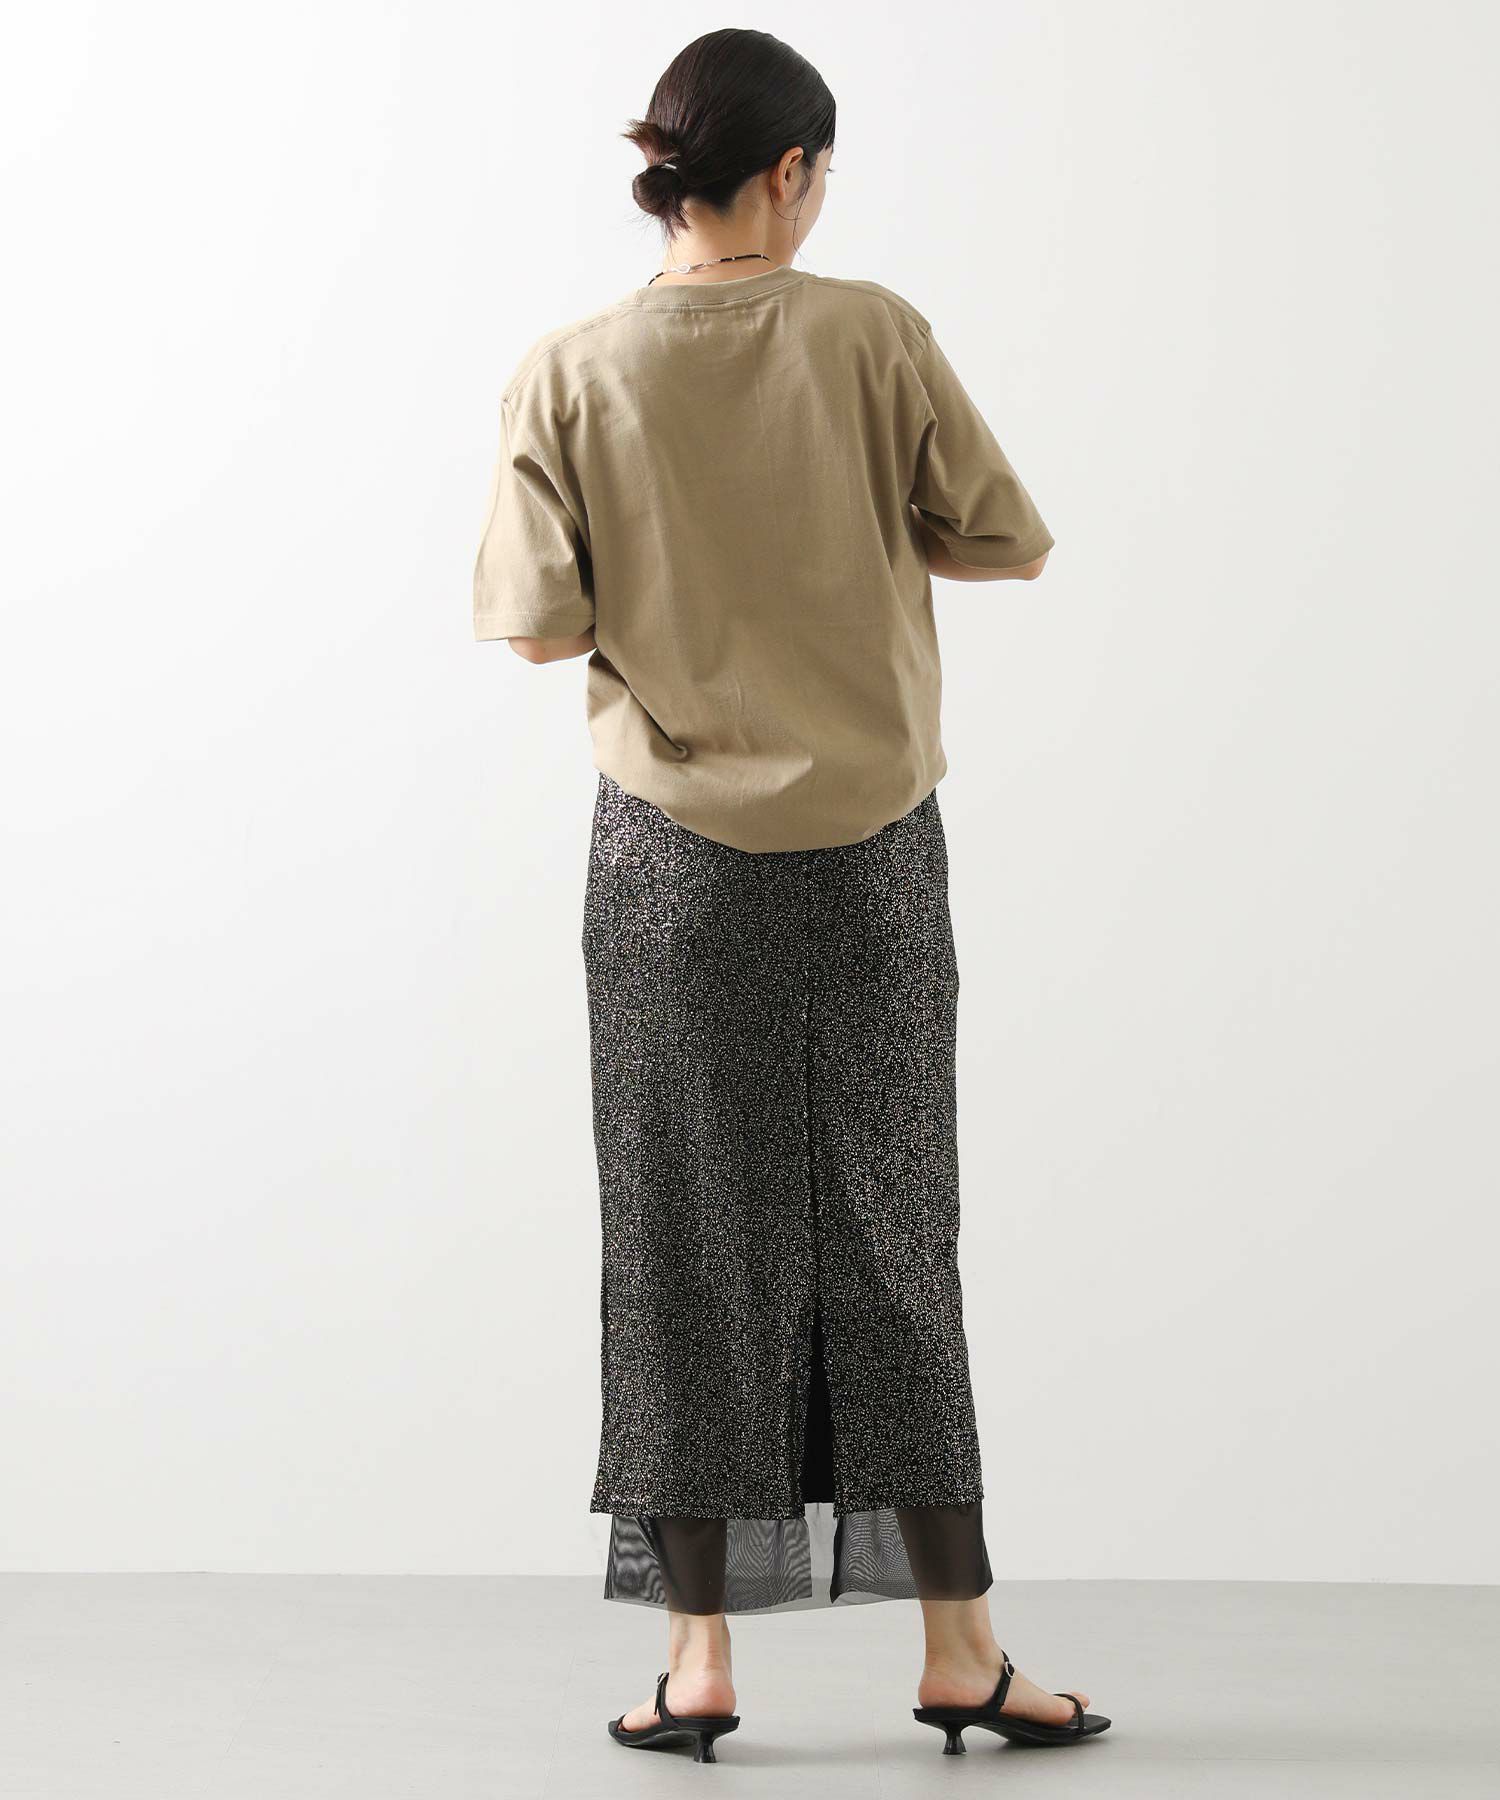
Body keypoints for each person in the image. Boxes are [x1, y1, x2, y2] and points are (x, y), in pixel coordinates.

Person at [473, 27, 1110, 1764]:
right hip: (873, 856)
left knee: (685, 1244)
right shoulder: (873, 334)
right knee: (894, 1233)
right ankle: (961, 1650)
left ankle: (697, 1665)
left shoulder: (567, 371)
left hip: (668, 872)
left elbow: (534, 628)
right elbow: (1007, 539)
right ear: (790, 173)